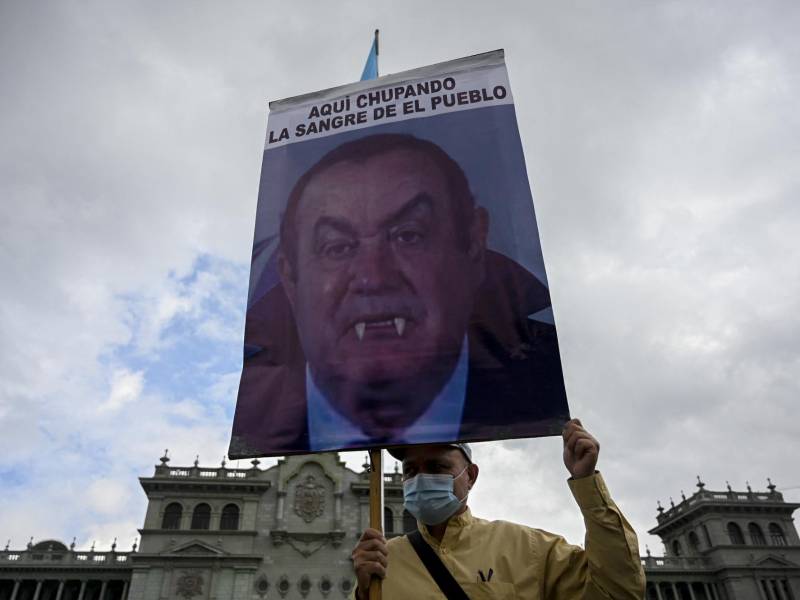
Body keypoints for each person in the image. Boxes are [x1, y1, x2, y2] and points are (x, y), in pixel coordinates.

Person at [230, 134, 569, 456]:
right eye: (337, 247)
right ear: (289, 276)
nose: (373, 278)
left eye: (408, 236)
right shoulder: (259, 420)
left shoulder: (537, 383)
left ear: (473, 244)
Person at [350, 419, 645, 599]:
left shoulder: (528, 548)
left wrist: (586, 483)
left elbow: (618, 591)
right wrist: (364, 593)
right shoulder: (383, 562)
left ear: (470, 476)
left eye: (437, 467)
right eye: (411, 470)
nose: (421, 478)